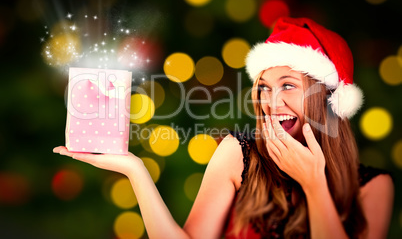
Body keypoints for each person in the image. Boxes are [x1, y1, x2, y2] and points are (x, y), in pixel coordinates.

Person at [54, 17, 394, 239]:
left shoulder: (374, 187)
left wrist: (313, 183)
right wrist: (135, 169)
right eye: (264, 87)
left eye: (288, 86)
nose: (271, 102)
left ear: (330, 99)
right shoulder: (239, 154)